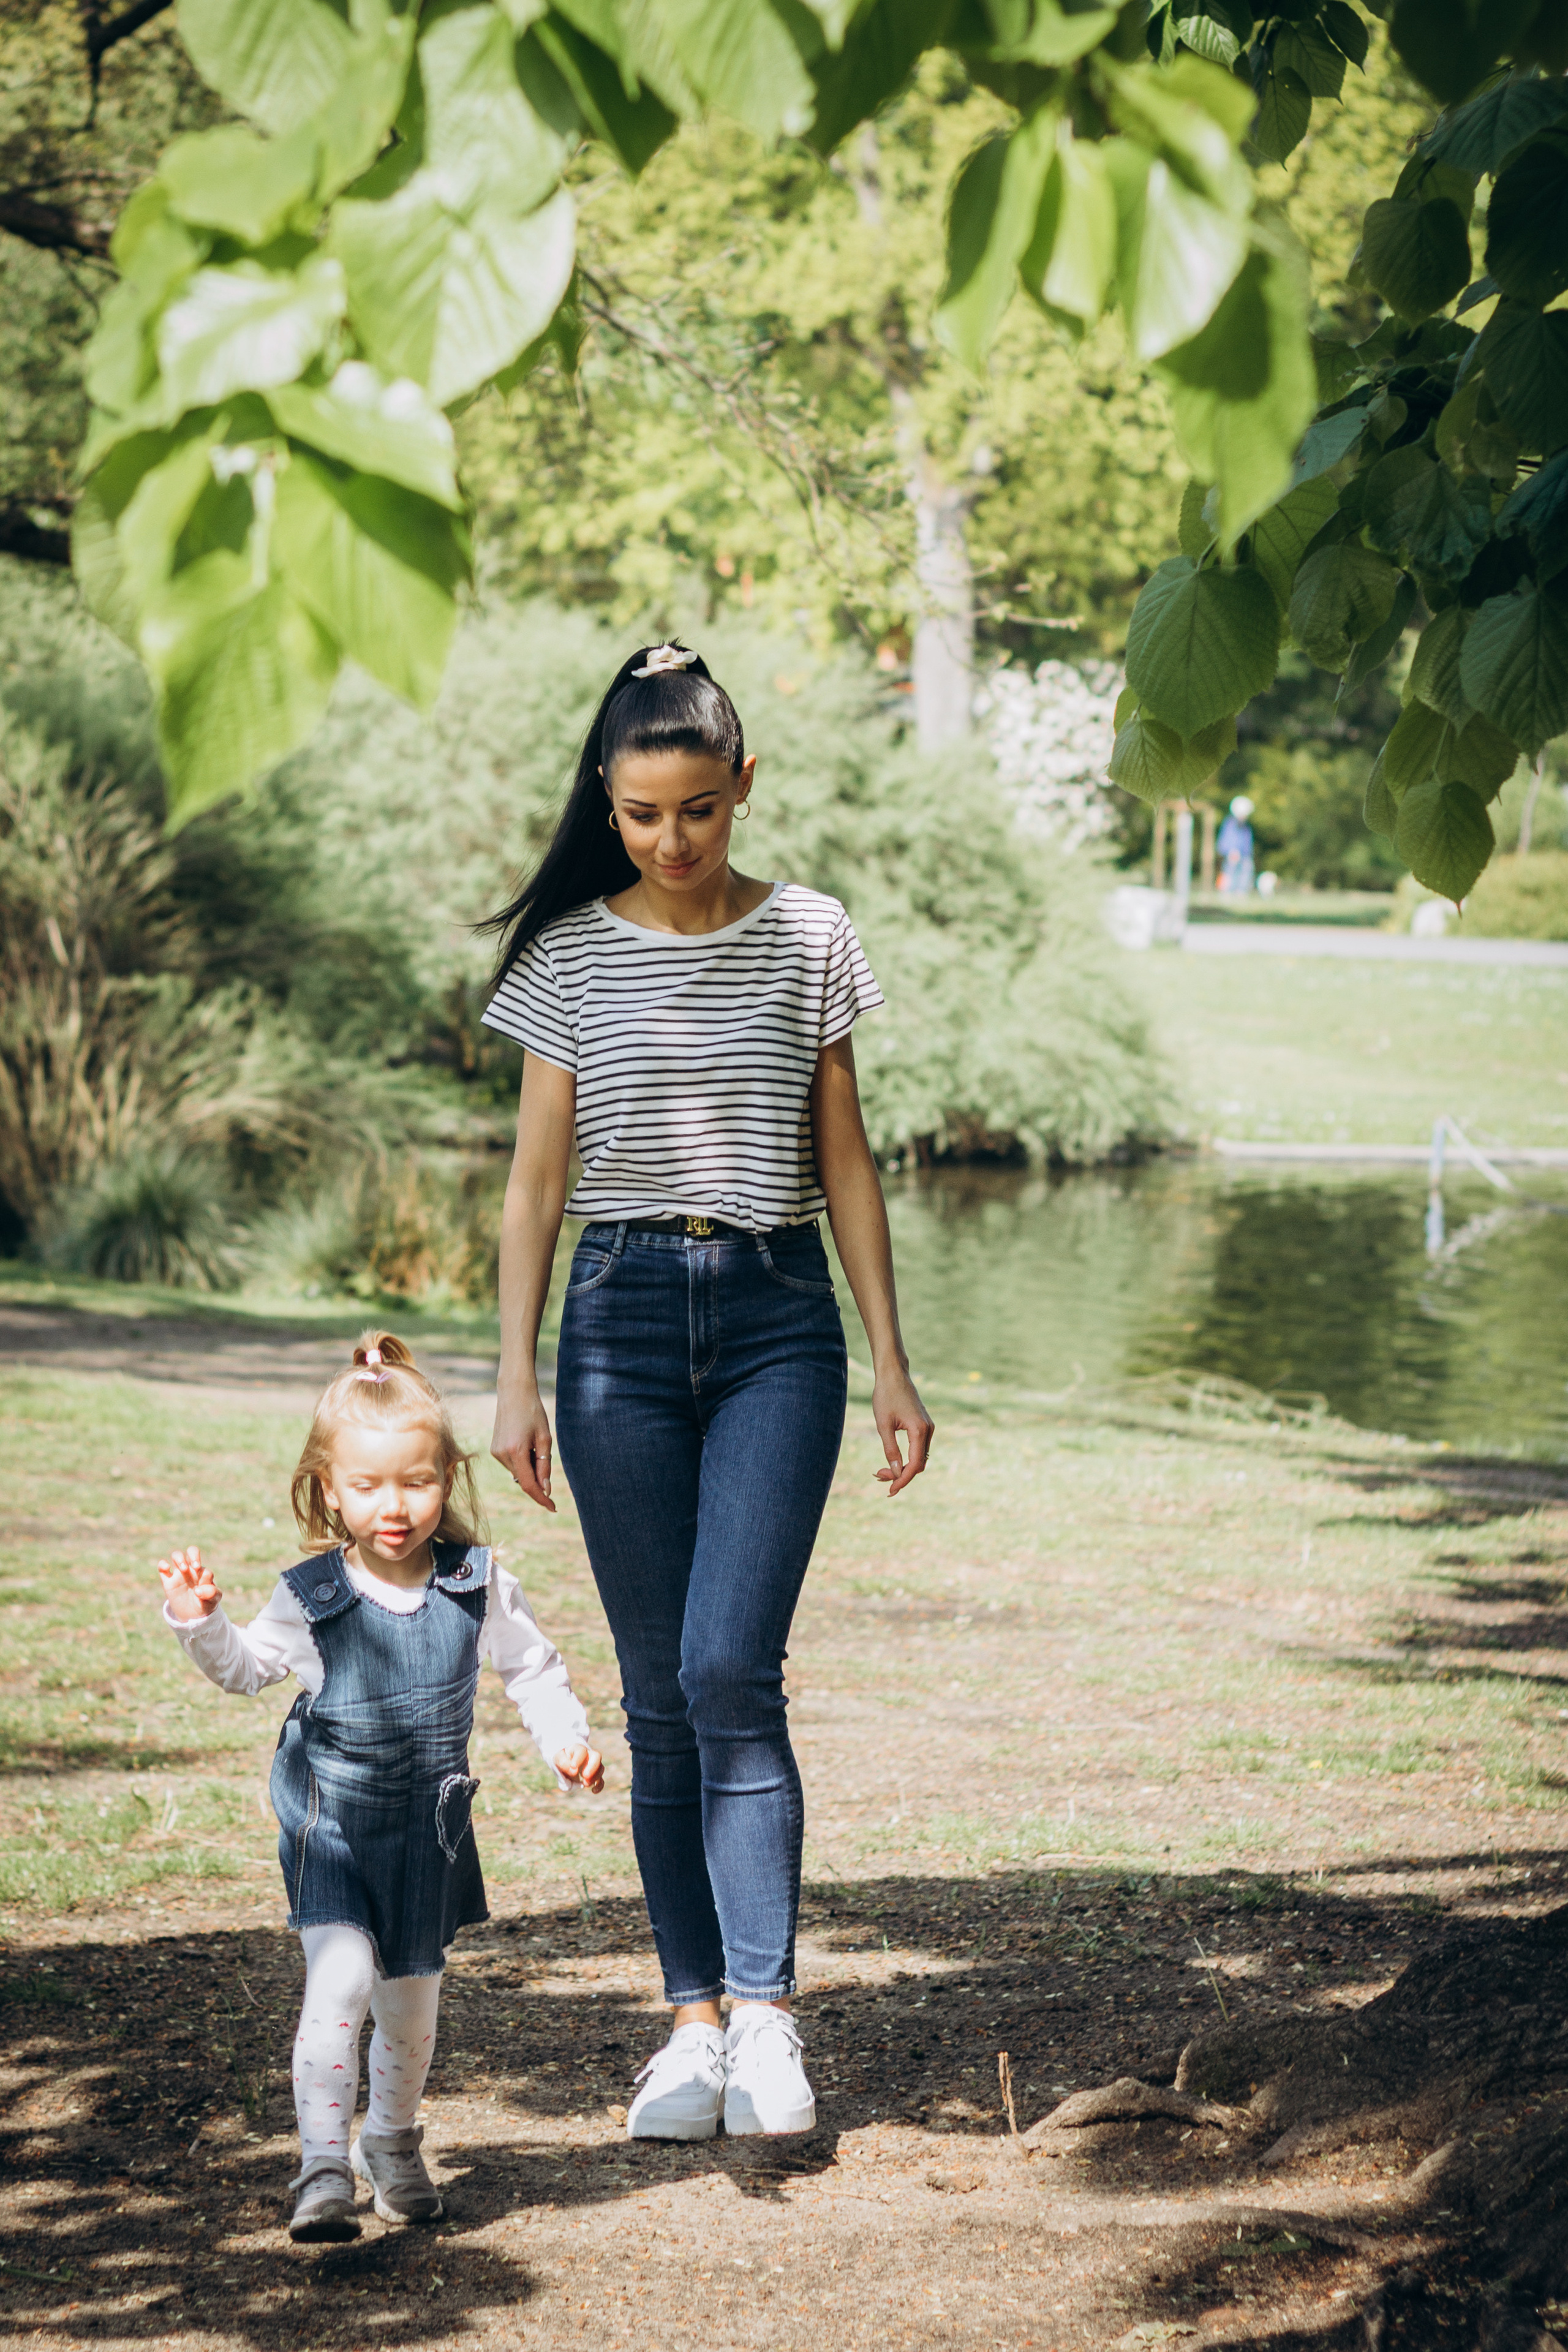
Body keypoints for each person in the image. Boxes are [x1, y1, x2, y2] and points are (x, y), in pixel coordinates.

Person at [483, 641, 934, 2143]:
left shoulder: (809, 936)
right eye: (636, 815)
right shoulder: (568, 957)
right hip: (611, 1327)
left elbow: (846, 1158)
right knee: (659, 1692)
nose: (669, 842)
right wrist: (510, 1376)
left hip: (774, 1323)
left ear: (742, 786)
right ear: (605, 805)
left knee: (732, 1666)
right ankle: (688, 2027)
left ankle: (769, 2018)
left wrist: (891, 1361)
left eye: (695, 810)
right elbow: (535, 1181)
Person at [158, 1332, 602, 2243]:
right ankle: (324, 2167)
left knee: (412, 2004)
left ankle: (391, 2141)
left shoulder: (477, 1586)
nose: (395, 1507)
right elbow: (246, 1670)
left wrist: (566, 1742)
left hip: (427, 1834)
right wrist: (200, 1622)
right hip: (333, 1827)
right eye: (367, 1487)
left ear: (448, 1477)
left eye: (417, 1483)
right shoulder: (316, 1596)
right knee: (344, 1979)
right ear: (329, 1488)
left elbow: (534, 1671)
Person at [1217, 794, 1256, 894]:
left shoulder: (1246, 826)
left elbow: (1247, 842)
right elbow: (1226, 839)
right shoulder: (1230, 824)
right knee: (1230, 872)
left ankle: (1241, 891)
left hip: (1244, 855)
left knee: (1246, 870)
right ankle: (1227, 892)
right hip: (1232, 853)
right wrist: (1231, 851)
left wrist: (1248, 853)